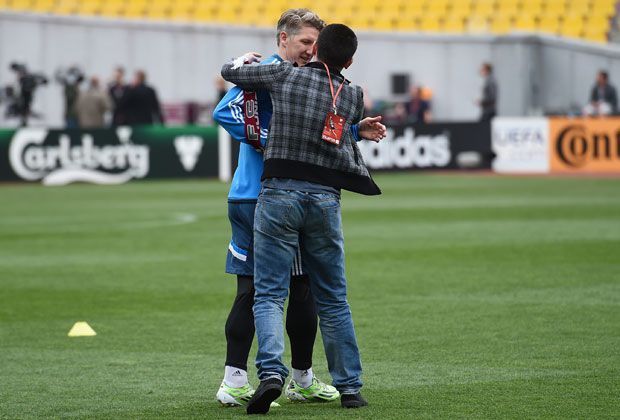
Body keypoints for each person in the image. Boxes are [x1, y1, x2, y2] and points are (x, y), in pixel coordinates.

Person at [212, 9, 385, 409]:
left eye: (314, 44)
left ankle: (298, 377)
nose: (309, 50)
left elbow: (328, 128)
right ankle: (236, 379)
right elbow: (224, 111)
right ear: (283, 39)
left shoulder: (310, 79)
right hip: (257, 194)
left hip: (280, 194)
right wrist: (277, 141)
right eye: (304, 42)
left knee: (298, 290)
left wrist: (356, 131)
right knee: (257, 289)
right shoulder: (271, 70)